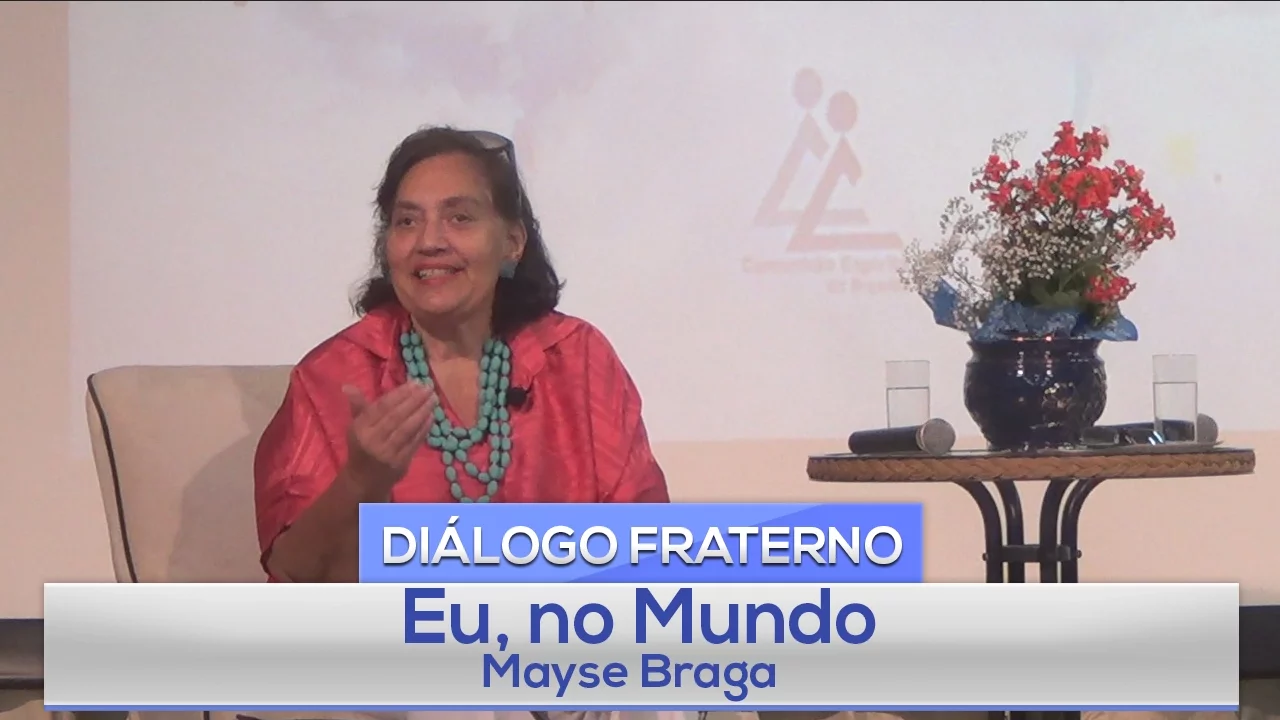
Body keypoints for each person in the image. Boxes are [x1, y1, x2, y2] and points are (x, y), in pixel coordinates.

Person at [253, 126, 671, 589]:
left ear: (512, 242)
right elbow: (291, 573)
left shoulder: (578, 358)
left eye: (460, 218)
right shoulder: (331, 377)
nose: (429, 241)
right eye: (407, 221)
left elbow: (647, 550)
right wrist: (360, 482)